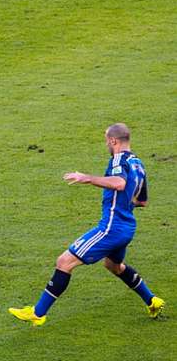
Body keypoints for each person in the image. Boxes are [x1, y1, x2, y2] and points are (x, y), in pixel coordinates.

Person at [9, 123, 164, 326]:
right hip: (127, 227)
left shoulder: (118, 159)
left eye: (107, 140)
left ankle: (37, 313)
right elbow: (141, 201)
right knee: (114, 265)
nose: (106, 144)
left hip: (111, 227)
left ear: (113, 140)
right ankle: (152, 300)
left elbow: (119, 183)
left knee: (64, 262)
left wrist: (87, 178)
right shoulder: (138, 164)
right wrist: (123, 203)